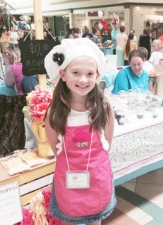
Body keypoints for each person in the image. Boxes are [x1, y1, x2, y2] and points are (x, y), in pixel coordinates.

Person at [44, 38, 116, 225]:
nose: (83, 80)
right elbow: (55, 147)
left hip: (97, 178)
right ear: (63, 73)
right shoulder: (55, 111)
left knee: (95, 220)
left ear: (97, 75)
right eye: (76, 72)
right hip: (68, 180)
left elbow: (107, 142)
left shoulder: (104, 106)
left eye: (89, 74)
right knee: (68, 219)